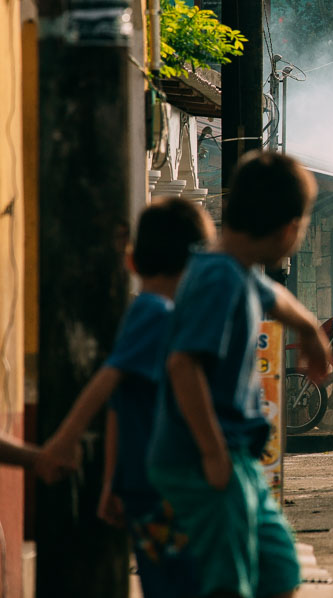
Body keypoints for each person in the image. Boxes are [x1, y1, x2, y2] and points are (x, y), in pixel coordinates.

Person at [148, 151, 332, 598]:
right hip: (205, 457)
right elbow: (182, 365)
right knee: (227, 585)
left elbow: (274, 299)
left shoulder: (234, 268)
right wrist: (213, 454)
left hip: (237, 460)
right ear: (290, 229)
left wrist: (309, 331)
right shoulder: (219, 279)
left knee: (279, 572)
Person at [41, 197, 214, 597]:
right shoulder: (157, 313)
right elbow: (109, 378)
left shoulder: (146, 311)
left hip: (143, 486)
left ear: (134, 262)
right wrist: (62, 443)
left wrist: (111, 482)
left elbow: (121, 401)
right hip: (165, 491)